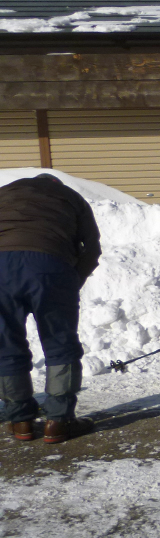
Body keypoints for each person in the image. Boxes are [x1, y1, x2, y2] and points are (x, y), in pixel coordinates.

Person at [0, 173, 100, 443]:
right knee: (59, 343)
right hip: (50, 265)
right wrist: (71, 283)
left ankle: (19, 421)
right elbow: (91, 249)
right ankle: (58, 421)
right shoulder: (71, 197)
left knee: (5, 344)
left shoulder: (3, 193)